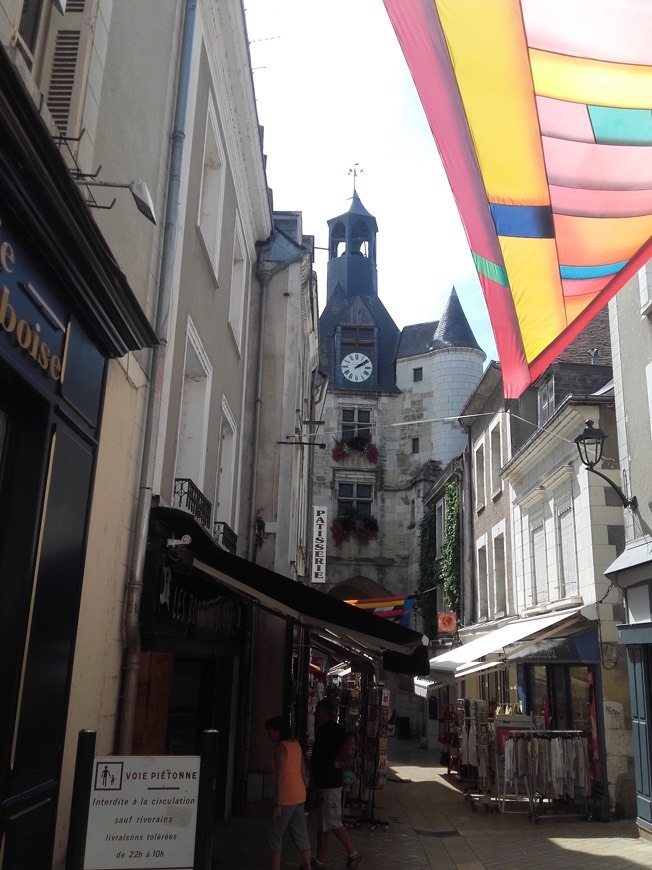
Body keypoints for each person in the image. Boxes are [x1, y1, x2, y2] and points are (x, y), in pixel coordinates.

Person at [310, 699, 362, 870]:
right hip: (323, 783)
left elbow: (350, 741)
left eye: (318, 711)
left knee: (332, 821)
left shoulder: (333, 729)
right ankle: (319, 861)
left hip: (331, 783)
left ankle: (353, 853)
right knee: (323, 824)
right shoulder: (322, 730)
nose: (315, 714)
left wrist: (338, 758)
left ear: (326, 713)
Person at [265, 715, 312, 870]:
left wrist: (277, 803)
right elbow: (303, 771)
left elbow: (280, 777)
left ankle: (275, 867)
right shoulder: (296, 744)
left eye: (270, 731)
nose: (269, 734)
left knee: (275, 834)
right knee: (300, 832)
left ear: (278, 730)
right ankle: (307, 865)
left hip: (286, 796)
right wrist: (303, 788)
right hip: (299, 794)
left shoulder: (281, 748)